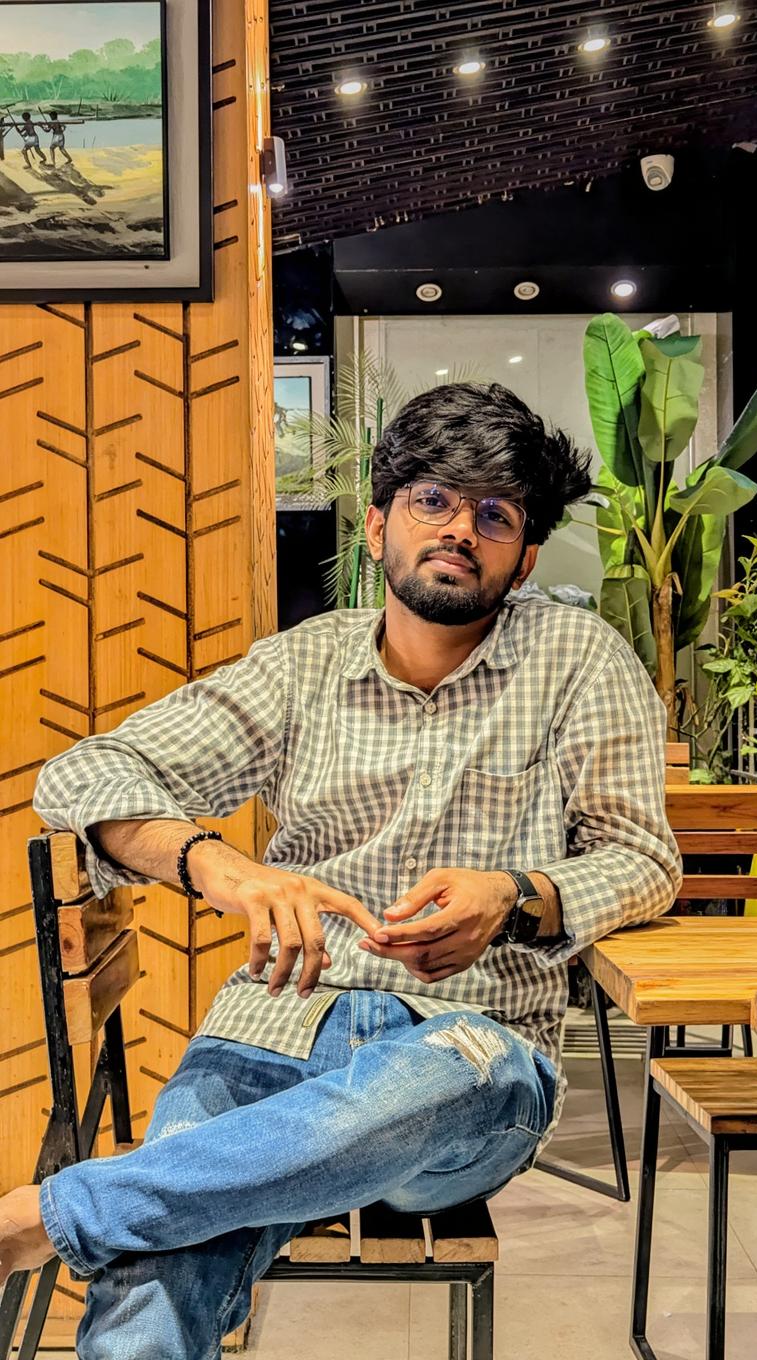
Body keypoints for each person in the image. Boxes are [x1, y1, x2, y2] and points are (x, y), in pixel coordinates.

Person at [0, 382, 682, 1358]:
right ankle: (111, 1208)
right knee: (162, 1263)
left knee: (431, 1078)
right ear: (377, 525)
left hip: (474, 1049)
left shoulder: (579, 659)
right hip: (270, 1026)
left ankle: (43, 1215)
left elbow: (644, 857)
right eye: (433, 500)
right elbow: (81, 773)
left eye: (495, 513)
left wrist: (514, 895)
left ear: (525, 556)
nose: (460, 528)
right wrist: (219, 866)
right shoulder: (304, 667)